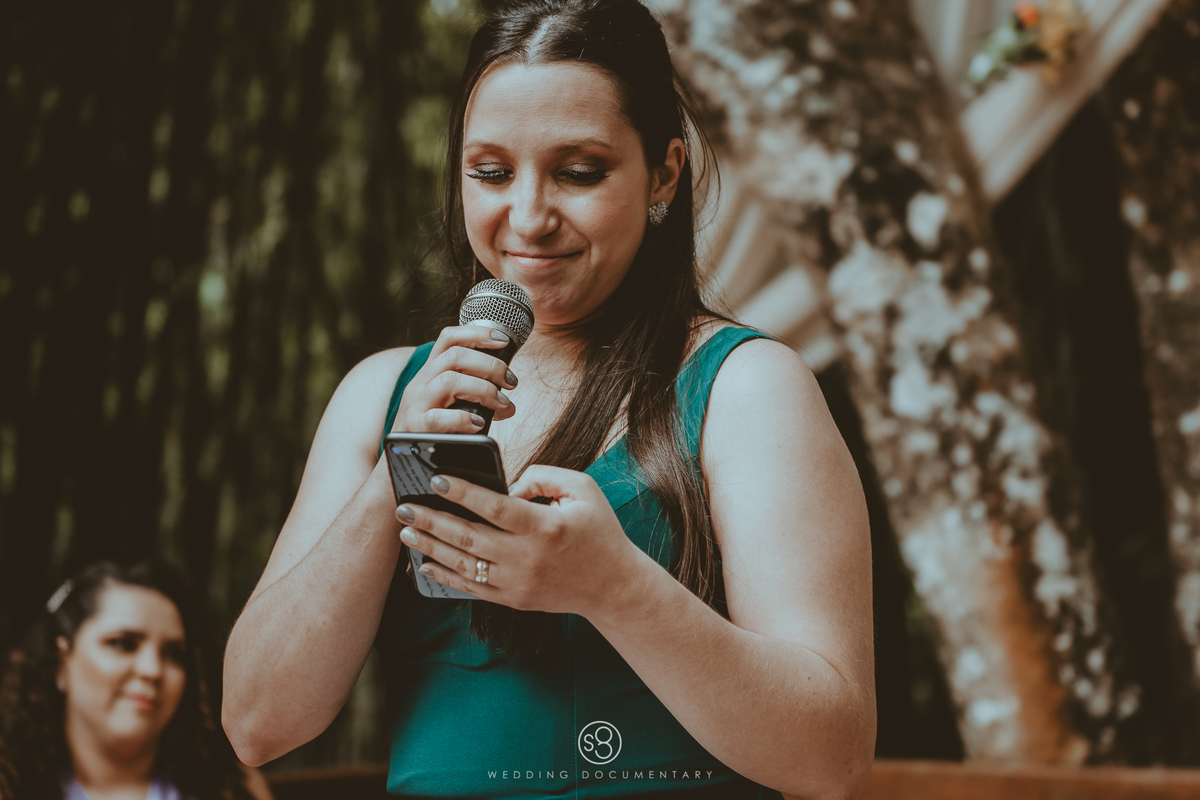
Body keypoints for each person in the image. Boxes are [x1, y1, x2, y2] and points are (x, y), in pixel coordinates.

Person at [222, 0, 875, 797]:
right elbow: (257, 723)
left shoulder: (746, 387)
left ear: (664, 173)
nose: (528, 219)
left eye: (579, 172)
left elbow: (832, 759)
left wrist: (615, 589)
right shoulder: (381, 393)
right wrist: (394, 474)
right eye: (491, 173)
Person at [0, 561, 272, 800]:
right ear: (62, 661)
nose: (152, 670)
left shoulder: (233, 786)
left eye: (174, 654)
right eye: (123, 643)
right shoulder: (9, 785)